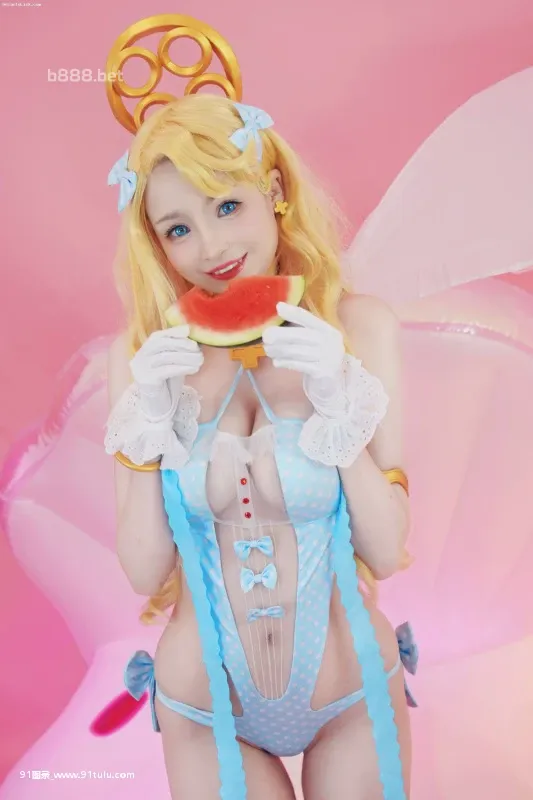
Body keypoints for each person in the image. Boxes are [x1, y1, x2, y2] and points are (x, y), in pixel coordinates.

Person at [104, 94, 417, 800]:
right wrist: (148, 426)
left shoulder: (360, 329)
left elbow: (386, 550)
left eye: (227, 206)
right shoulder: (143, 359)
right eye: (178, 229)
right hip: (204, 708)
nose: (211, 248)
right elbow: (143, 569)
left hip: (351, 693)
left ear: (273, 190)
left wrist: (336, 402)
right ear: (157, 243)